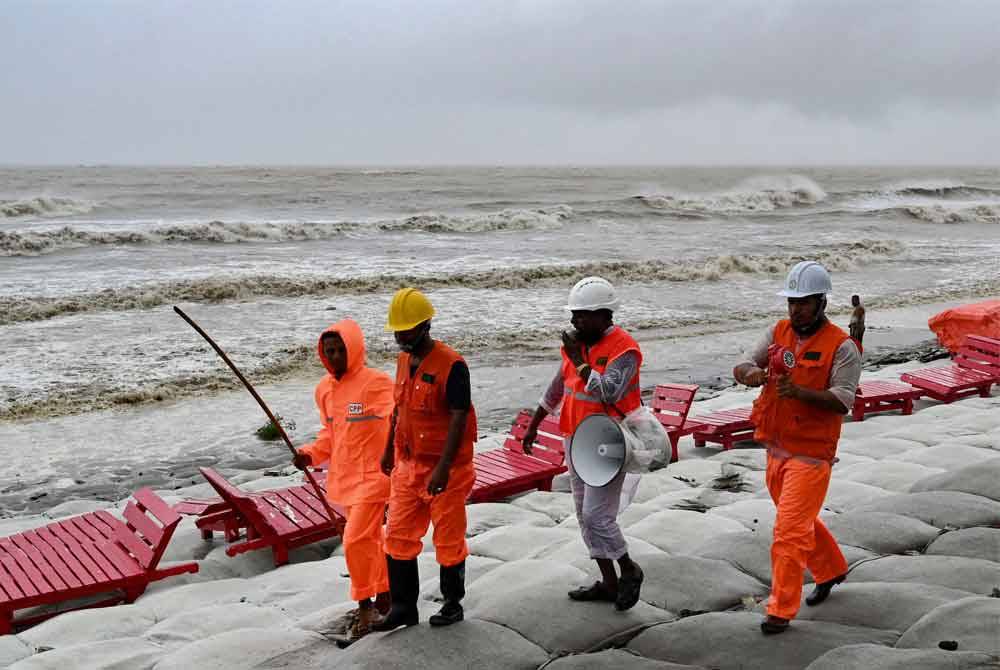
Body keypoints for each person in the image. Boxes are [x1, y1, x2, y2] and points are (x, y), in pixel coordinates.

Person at [732, 261, 862, 635]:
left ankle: (781, 609)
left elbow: (843, 400)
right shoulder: (778, 332)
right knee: (801, 521)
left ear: (822, 302)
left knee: (788, 531)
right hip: (775, 447)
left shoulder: (843, 347)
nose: (795, 309)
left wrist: (799, 393)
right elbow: (741, 364)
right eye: (791, 302)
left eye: (803, 303)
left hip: (811, 455)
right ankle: (832, 569)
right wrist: (750, 375)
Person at [521, 276, 645, 611]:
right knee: (582, 514)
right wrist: (533, 425)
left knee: (596, 516)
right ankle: (608, 581)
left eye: (584, 315)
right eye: (574, 314)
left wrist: (579, 359)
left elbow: (609, 391)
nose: (576, 321)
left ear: (606, 315)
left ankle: (628, 568)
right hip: (575, 438)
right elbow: (557, 387)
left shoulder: (625, 349)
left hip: (610, 440)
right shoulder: (575, 346)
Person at [373, 288, 477, 631]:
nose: (401, 336)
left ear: (426, 325)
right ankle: (403, 608)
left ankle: (452, 604)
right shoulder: (403, 360)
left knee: (448, 538)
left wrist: (444, 469)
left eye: (407, 330)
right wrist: (388, 448)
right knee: (398, 535)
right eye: (397, 331)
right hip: (407, 464)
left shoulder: (453, 365)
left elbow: (460, 418)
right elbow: (398, 410)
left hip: (447, 469)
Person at [292, 319, 394, 643]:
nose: (334, 356)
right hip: (345, 478)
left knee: (353, 541)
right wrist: (309, 454)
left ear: (354, 349)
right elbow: (330, 435)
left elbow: (400, 420)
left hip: (376, 477)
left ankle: (365, 605)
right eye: (329, 351)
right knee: (370, 541)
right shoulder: (324, 390)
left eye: (340, 350)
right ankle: (386, 594)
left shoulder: (376, 383)